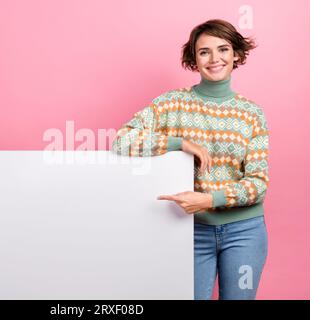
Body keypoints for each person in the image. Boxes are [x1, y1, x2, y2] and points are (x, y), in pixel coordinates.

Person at [112, 19, 269, 300]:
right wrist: (179, 143)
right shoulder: (171, 104)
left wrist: (209, 200)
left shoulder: (251, 113)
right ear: (194, 59)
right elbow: (123, 140)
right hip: (189, 231)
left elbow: (258, 184)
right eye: (204, 51)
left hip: (245, 231)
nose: (214, 58)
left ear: (236, 55)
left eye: (223, 49)